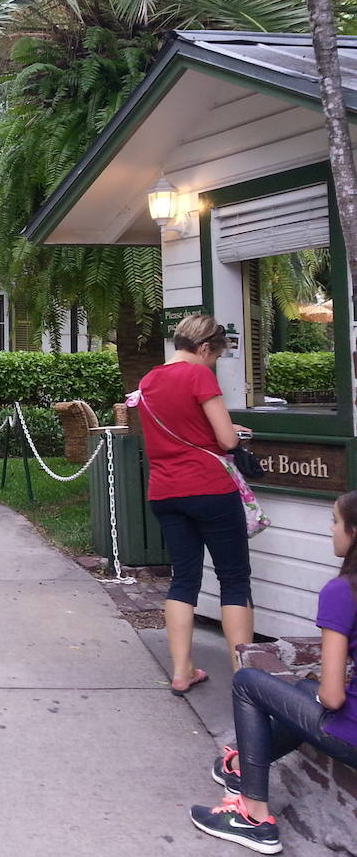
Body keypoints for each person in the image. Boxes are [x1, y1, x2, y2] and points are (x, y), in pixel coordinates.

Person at [189, 490, 357, 853]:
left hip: (352, 737)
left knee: (248, 682)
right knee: (298, 689)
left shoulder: (343, 592)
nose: (330, 530)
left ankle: (253, 815)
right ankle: (241, 767)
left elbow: (332, 697)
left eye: (335, 521)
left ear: (354, 532)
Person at [135, 314, 252, 694]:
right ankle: (246, 678)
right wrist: (233, 432)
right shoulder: (199, 375)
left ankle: (182, 671)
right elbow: (226, 439)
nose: (214, 363)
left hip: (165, 491)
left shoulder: (149, 380)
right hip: (209, 487)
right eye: (215, 356)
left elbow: (177, 428)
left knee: (184, 579)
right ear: (204, 348)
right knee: (233, 579)